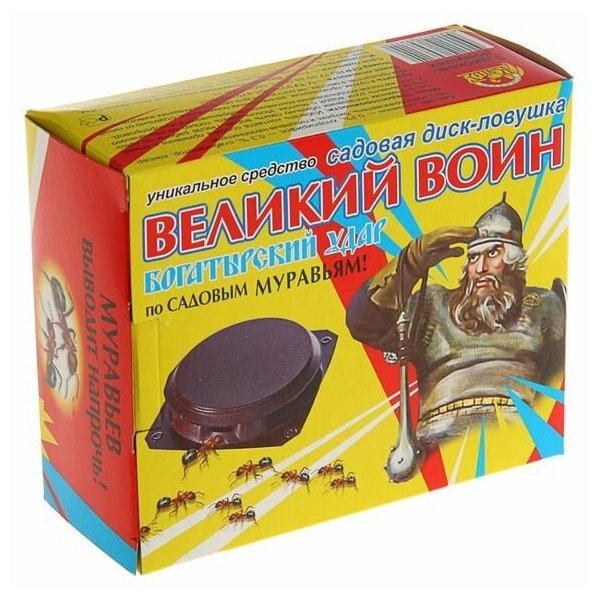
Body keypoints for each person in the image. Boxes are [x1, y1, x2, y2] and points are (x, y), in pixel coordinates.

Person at [346, 194, 566, 447]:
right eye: (473, 257)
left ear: (515, 260)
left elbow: (562, 373)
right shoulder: (433, 303)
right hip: (437, 439)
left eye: (493, 253)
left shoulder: (544, 304)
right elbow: (364, 323)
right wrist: (411, 262)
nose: (480, 268)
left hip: (517, 435)